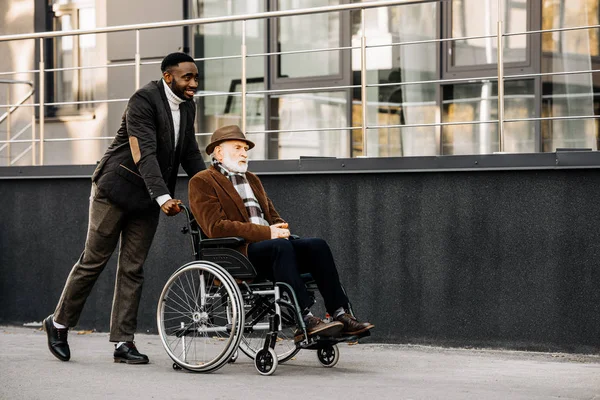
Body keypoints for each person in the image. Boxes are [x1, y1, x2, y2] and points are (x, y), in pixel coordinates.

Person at [43, 52, 206, 364]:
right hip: (114, 191)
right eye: (188, 77)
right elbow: (143, 153)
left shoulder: (188, 106)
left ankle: (123, 343)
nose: (194, 84)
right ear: (168, 76)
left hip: (148, 198)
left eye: (196, 77)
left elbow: (190, 153)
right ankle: (59, 323)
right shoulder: (143, 100)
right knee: (93, 261)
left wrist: (210, 188)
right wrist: (163, 198)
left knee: (133, 268)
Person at [188, 125, 374, 342]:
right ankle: (304, 317)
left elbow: (273, 216)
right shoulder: (202, 181)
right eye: (237, 147)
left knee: (317, 245)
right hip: (238, 252)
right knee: (280, 246)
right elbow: (216, 227)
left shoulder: (252, 179)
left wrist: (280, 229)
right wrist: (268, 233)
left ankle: (340, 314)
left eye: (245, 149)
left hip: (271, 248)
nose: (244, 153)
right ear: (218, 152)